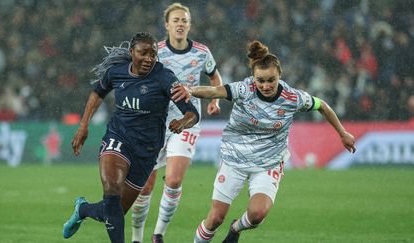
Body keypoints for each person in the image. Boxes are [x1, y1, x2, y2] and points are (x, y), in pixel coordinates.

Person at [172, 40, 357, 243]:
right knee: (215, 218)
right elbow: (215, 91)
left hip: (268, 163)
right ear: (254, 78)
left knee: (257, 214)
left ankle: (235, 228)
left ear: (279, 76)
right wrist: (190, 90)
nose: (266, 86)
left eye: (271, 80)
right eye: (260, 80)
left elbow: (322, 105)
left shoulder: (292, 98)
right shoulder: (244, 89)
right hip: (234, 159)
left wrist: (342, 132)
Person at [61, 32, 199, 243]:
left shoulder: (164, 77)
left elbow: (192, 114)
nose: (149, 59)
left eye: (153, 54)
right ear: (131, 52)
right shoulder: (116, 72)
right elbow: (97, 93)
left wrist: (182, 123)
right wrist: (83, 125)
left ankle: (84, 209)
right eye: (143, 53)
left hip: (147, 150)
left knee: (112, 211)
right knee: (112, 188)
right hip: (118, 137)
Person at [130, 3, 223, 243]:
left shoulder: (202, 52)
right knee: (145, 186)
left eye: (184, 20)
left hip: (187, 121)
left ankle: (158, 234)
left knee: (173, 180)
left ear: (189, 25)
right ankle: (137, 237)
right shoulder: (156, 51)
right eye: (176, 20)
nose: (180, 24)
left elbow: (214, 76)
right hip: (155, 122)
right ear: (167, 25)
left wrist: (214, 99)